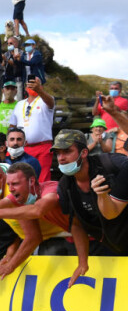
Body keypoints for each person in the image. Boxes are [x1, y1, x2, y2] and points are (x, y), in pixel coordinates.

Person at [53, 129, 128, 258]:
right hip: (112, 247)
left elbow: (111, 214)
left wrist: (103, 195)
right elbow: (76, 224)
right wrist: (82, 261)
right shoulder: (64, 185)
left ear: (84, 153)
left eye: (67, 151)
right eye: (58, 153)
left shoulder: (114, 164)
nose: (61, 158)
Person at [8, 76, 55, 181]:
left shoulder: (45, 100)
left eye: (37, 83)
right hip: (22, 147)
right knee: (20, 178)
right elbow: (12, 125)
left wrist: (39, 91)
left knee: (42, 179)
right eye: (30, 83)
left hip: (42, 147)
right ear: (25, 87)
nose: (33, 86)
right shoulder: (19, 104)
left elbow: (51, 102)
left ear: (41, 86)